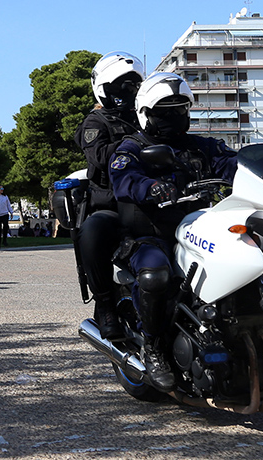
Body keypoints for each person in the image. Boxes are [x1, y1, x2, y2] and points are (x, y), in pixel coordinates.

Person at [109, 72, 239, 392]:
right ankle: (154, 348)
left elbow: (235, 164)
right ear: (145, 113)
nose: (174, 116)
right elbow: (124, 177)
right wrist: (151, 187)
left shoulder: (202, 146)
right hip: (150, 234)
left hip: (199, 229)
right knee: (156, 275)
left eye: (180, 108)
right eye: (164, 110)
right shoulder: (133, 147)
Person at [72, 51, 144, 339]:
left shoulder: (144, 117)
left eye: (132, 85)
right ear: (104, 88)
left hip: (149, 199)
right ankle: (104, 304)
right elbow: (100, 156)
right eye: (120, 86)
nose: (127, 92)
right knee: (93, 230)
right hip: (112, 201)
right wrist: (136, 144)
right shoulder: (96, 122)